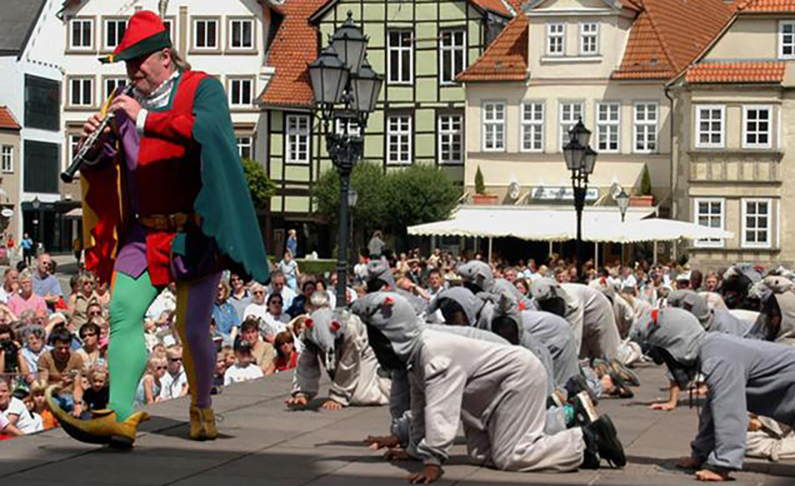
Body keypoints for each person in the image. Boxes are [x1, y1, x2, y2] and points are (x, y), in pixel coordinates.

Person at [47, 10, 270, 447]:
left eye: (139, 61)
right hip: (142, 232)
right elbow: (107, 162)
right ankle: (121, 417)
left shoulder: (201, 88)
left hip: (194, 232)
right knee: (123, 314)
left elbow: (207, 131)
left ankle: (202, 405)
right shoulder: (122, 99)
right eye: (128, 63)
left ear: (165, 57)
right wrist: (90, 147)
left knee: (190, 329)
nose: (132, 71)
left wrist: (145, 119)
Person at [352, 292, 625, 483]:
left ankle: (587, 439)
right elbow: (420, 404)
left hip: (518, 377)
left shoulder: (433, 353)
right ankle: (579, 452)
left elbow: (440, 409)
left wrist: (433, 462)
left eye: (378, 338)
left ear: (395, 334)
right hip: (490, 394)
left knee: (511, 456)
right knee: (482, 456)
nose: (375, 346)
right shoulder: (417, 353)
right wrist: (413, 449)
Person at [631, 307, 795, 481]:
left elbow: (729, 413)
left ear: (676, 345)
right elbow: (714, 408)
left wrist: (722, 466)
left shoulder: (716, 358)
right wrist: (699, 455)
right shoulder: (713, 347)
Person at [287, 300, 390, 410]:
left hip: (364, 350)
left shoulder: (350, 328)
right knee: (350, 390)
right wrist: (302, 392)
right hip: (335, 349)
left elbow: (348, 364)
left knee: (361, 397)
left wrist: (338, 396)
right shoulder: (309, 332)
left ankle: (390, 386)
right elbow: (305, 362)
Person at [39, 327, 84, 417]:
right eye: (60, 348)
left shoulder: (76, 358)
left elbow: (77, 384)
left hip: (70, 395)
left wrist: (77, 403)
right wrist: (60, 384)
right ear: (53, 345)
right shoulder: (45, 358)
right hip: (53, 395)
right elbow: (43, 384)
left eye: (66, 348)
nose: (63, 351)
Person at [212, 279, 240, 343]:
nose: (219, 292)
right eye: (216, 289)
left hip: (227, 340)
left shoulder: (230, 308)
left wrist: (230, 341)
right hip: (213, 340)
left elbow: (234, 327)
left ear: (225, 290)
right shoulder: (209, 307)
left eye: (221, 289)